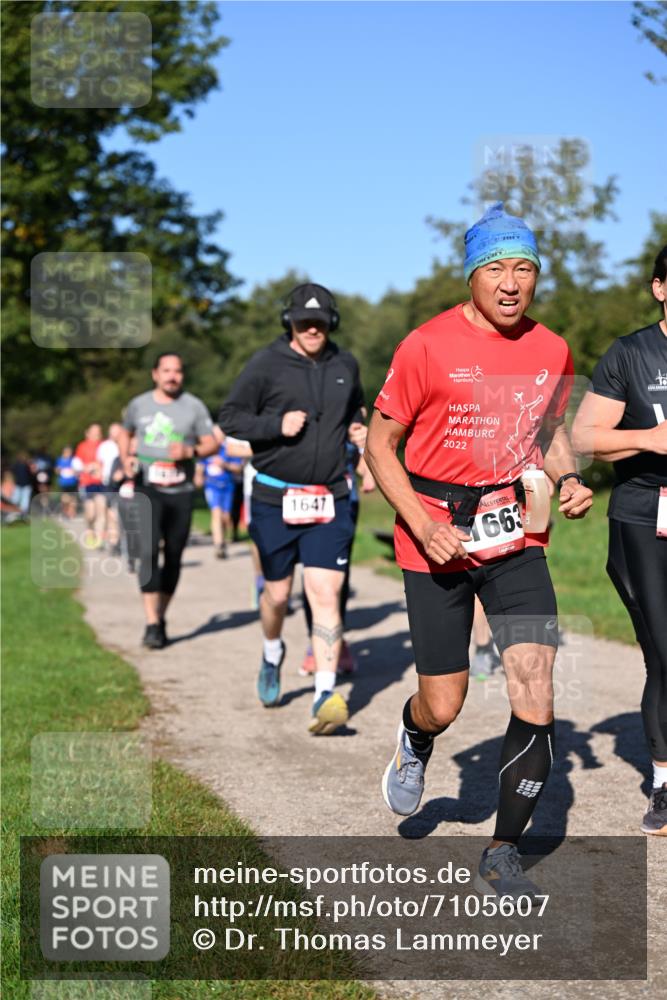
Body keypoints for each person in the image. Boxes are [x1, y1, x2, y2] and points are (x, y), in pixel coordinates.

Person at [365, 203, 593, 896]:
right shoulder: (424, 346)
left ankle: (503, 848)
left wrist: (569, 475)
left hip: (512, 537)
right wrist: (421, 522)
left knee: (534, 681)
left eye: (523, 266)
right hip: (432, 537)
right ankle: (414, 739)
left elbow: (545, 429)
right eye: (494, 266)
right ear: (470, 274)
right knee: (445, 703)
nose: (509, 281)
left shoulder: (551, 349)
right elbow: (380, 445)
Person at [218, 283, 367, 734]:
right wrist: (274, 426)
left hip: (330, 497)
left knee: (325, 594)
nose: (312, 328)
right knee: (278, 595)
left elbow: (355, 410)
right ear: (290, 322)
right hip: (273, 497)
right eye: (304, 321)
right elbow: (230, 418)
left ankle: (324, 692)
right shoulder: (265, 364)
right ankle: (272, 652)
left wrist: (360, 431)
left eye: (320, 322)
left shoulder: (345, 363)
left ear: (331, 324)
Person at [572, 244, 667, 836]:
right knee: (665, 650)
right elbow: (584, 436)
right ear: (660, 288)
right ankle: (663, 783)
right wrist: (652, 439)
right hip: (643, 516)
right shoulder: (631, 354)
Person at [118, 353, 217, 649]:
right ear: (155, 374)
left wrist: (191, 453)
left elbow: (212, 442)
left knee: (173, 556)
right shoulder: (140, 404)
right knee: (147, 552)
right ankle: (151, 622)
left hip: (181, 489)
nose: (172, 376)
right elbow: (125, 431)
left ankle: (160, 617)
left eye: (177, 371)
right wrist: (125, 459)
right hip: (148, 488)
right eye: (166, 371)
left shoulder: (194, 406)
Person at [300, 442, 376, 676]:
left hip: (343, 501)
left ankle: (336, 641)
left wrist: (366, 459)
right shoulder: (295, 406)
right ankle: (316, 642)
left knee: (336, 579)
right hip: (302, 497)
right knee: (311, 575)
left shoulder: (351, 408)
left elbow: (366, 451)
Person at [194, 428, 244, 559]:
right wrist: (198, 477)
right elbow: (200, 467)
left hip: (228, 486)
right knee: (216, 513)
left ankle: (223, 538)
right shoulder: (207, 450)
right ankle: (219, 545)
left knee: (226, 517)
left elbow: (238, 468)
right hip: (212, 486)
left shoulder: (229, 449)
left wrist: (225, 465)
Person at [72, 424, 105, 547]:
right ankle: (90, 530)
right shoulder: (82, 446)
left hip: (101, 483)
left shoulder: (104, 445)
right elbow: (76, 465)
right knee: (91, 513)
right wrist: (88, 467)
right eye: (94, 431)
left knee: (100, 511)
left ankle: (99, 538)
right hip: (87, 483)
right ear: (88, 433)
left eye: (99, 431)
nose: (97, 434)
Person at [97, 423, 123, 553]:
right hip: (108, 483)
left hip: (124, 482)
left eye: (118, 431)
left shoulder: (126, 444)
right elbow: (99, 463)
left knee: (121, 513)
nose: (116, 434)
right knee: (112, 513)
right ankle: (114, 542)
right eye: (113, 432)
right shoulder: (104, 446)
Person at [55, 445, 79, 518]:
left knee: (73, 498)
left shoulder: (74, 460)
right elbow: (57, 470)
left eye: (69, 452)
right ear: (64, 452)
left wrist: (74, 472)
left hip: (73, 482)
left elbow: (78, 470)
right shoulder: (60, 460)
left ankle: (72, 512)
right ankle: (65, 511)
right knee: (65, 498)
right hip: (64, 482)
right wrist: (59, 470)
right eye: (67, 452)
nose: (68, 453)